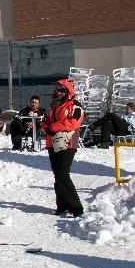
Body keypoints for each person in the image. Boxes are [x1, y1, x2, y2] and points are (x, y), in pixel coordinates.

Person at [41, 79, 84, 217]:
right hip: (52, 142)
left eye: (62, 90)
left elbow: (73, 123)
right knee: (58, 175)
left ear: (68, 92)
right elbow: (44, 121)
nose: (58, 92)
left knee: (63, 174)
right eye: (57, 90)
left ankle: (76, 207)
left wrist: (53, 127)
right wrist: (47, 129)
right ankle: (62, 205)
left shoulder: (75, 107)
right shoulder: (52, 107)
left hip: (68, 143)